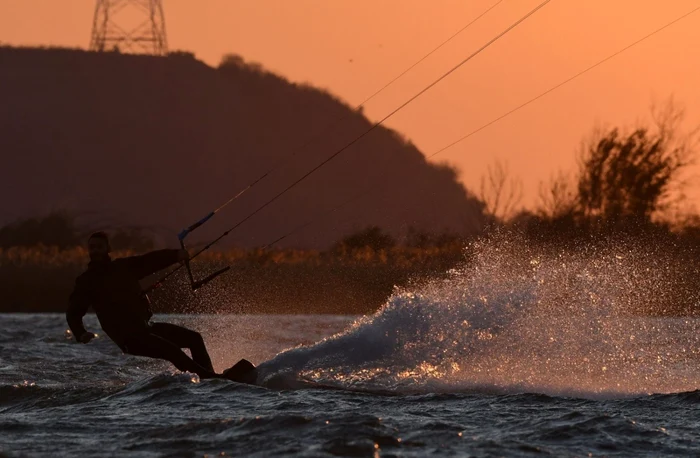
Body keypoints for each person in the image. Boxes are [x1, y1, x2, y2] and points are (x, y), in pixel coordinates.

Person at [66, 231, 228, 379]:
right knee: (172, 351)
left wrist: (175, 255)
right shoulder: (87, 281)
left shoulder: (123, 267)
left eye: (99, 247)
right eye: (92, 247)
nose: (95, 250)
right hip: (129, 338)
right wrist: (80, 333)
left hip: (145, 328)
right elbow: (73, 312)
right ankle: (209, 379)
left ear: (108, 248)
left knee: (194, 338)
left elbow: (149, 260)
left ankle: (210, 379)